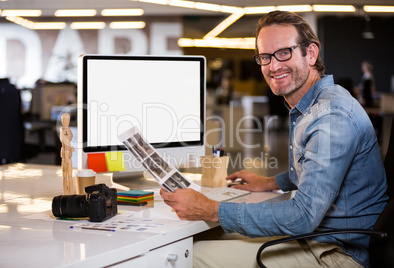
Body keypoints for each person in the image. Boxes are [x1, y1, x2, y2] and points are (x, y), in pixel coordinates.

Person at [160, 11, 387, 268]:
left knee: (185, 257)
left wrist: (211, 209)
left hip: (337, 253)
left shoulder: (331, 117)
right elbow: (318, 171)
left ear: (311, 54)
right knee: (204, 237)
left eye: (284, 52)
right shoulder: (313, 105)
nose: (273, 66)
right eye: (265, 57)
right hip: (316, 238)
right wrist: (269, 182)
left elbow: (303, 216)